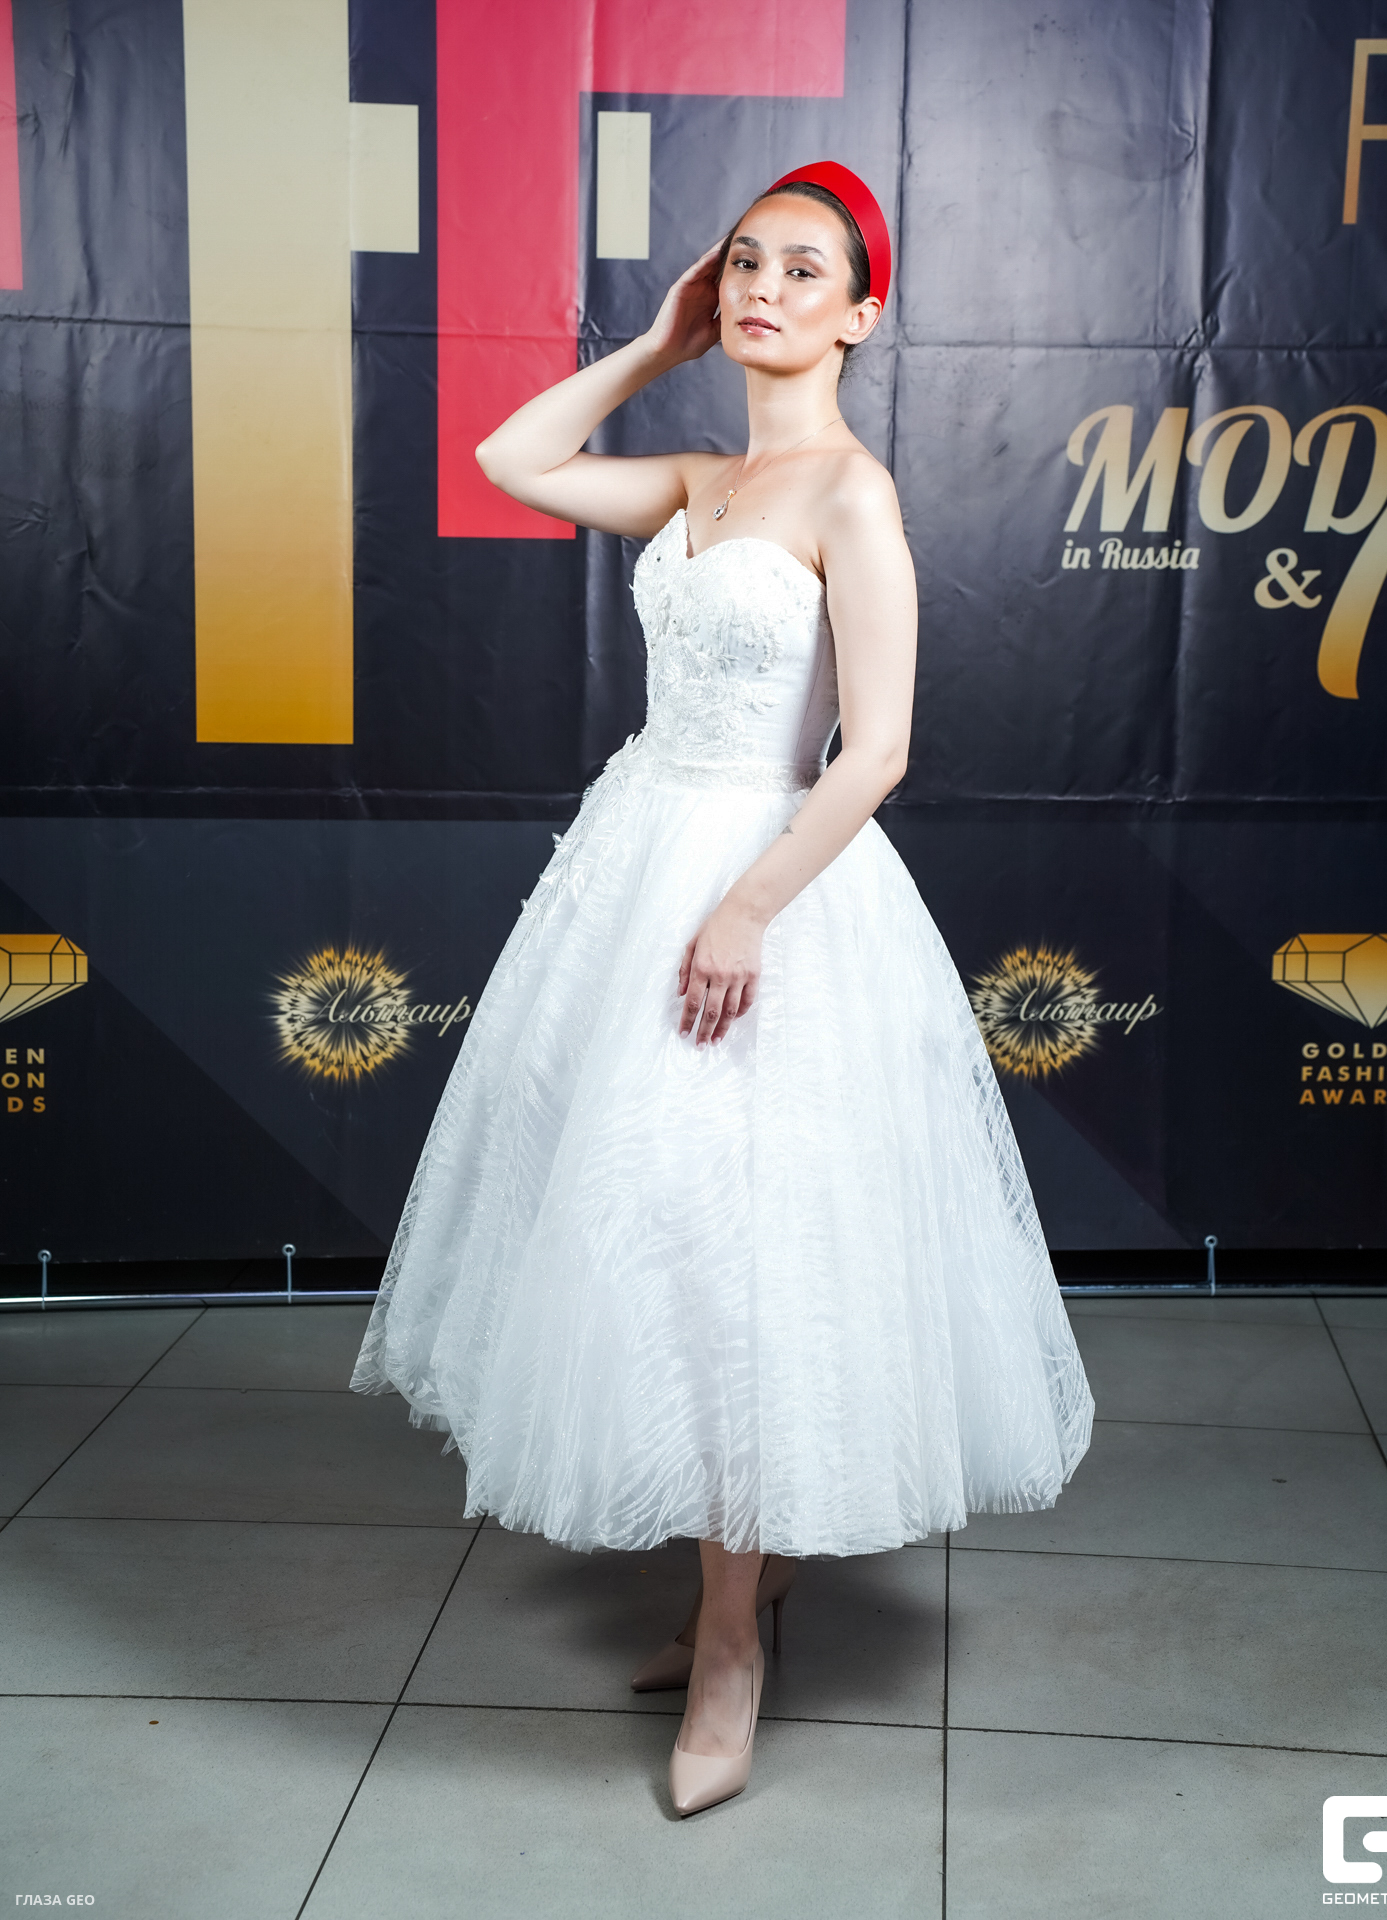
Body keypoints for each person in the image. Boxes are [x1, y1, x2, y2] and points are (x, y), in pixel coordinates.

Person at [350, 162, 1093, 1817]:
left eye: (801, 269)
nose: (763, 287)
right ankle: (728, 1586)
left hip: (769, 882)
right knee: (651, 1230)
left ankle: (734, 1642)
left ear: (861, 314)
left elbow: (877, 749)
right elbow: (509, 459)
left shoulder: (851, 495)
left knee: (747, 1253)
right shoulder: (697, 477)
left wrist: (748, 908)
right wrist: (656, 340)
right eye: (744, 262)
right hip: (633, 857)